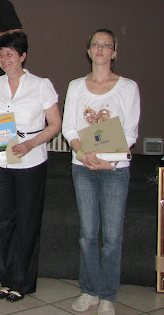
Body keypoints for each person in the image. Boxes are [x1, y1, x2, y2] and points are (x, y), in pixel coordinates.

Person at [62, 29, 140, 315]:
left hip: (114, 170)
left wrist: (112, 162)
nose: (100, 48)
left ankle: (108, 295)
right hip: (82, 167)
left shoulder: (128, 87)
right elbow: (69, 128)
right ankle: (89, 290)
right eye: (95, 44)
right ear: (88, 50)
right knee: (88, 234)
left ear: (114, 53)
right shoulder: (75, 86)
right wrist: (83, 154)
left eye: (106, 45)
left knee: (112, 238)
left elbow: (130, 132)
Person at [0, 31, 61, 302]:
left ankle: (22, 282)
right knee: (2, 220)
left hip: (31, 160)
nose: (5, 59)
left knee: (27, 221)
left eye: (10, 54)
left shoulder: (40, 85)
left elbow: (55, 124)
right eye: (1, 54)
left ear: (23, 56)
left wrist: (31, 144)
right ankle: (6, 279)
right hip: (1, 161)